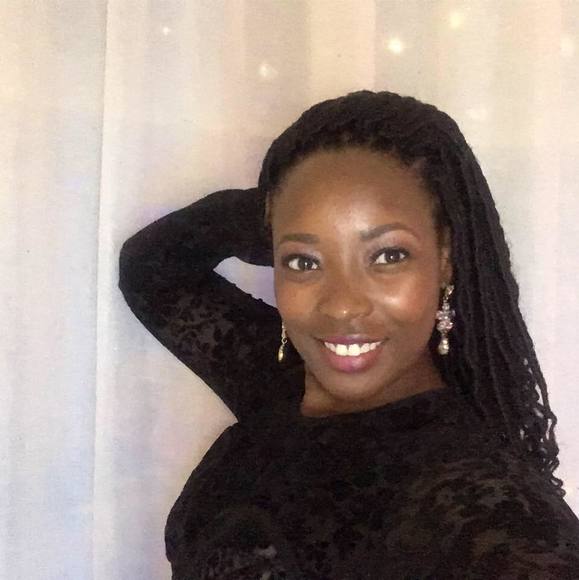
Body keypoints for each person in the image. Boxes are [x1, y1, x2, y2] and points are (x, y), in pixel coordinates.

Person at [118, 90, 579, 579]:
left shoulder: (491, 515)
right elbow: (153, 268)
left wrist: (304, 224)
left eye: (388, 256)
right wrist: (287, 209)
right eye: (304, 262)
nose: (341, 305)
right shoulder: (281, 382)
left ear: (446, 257)